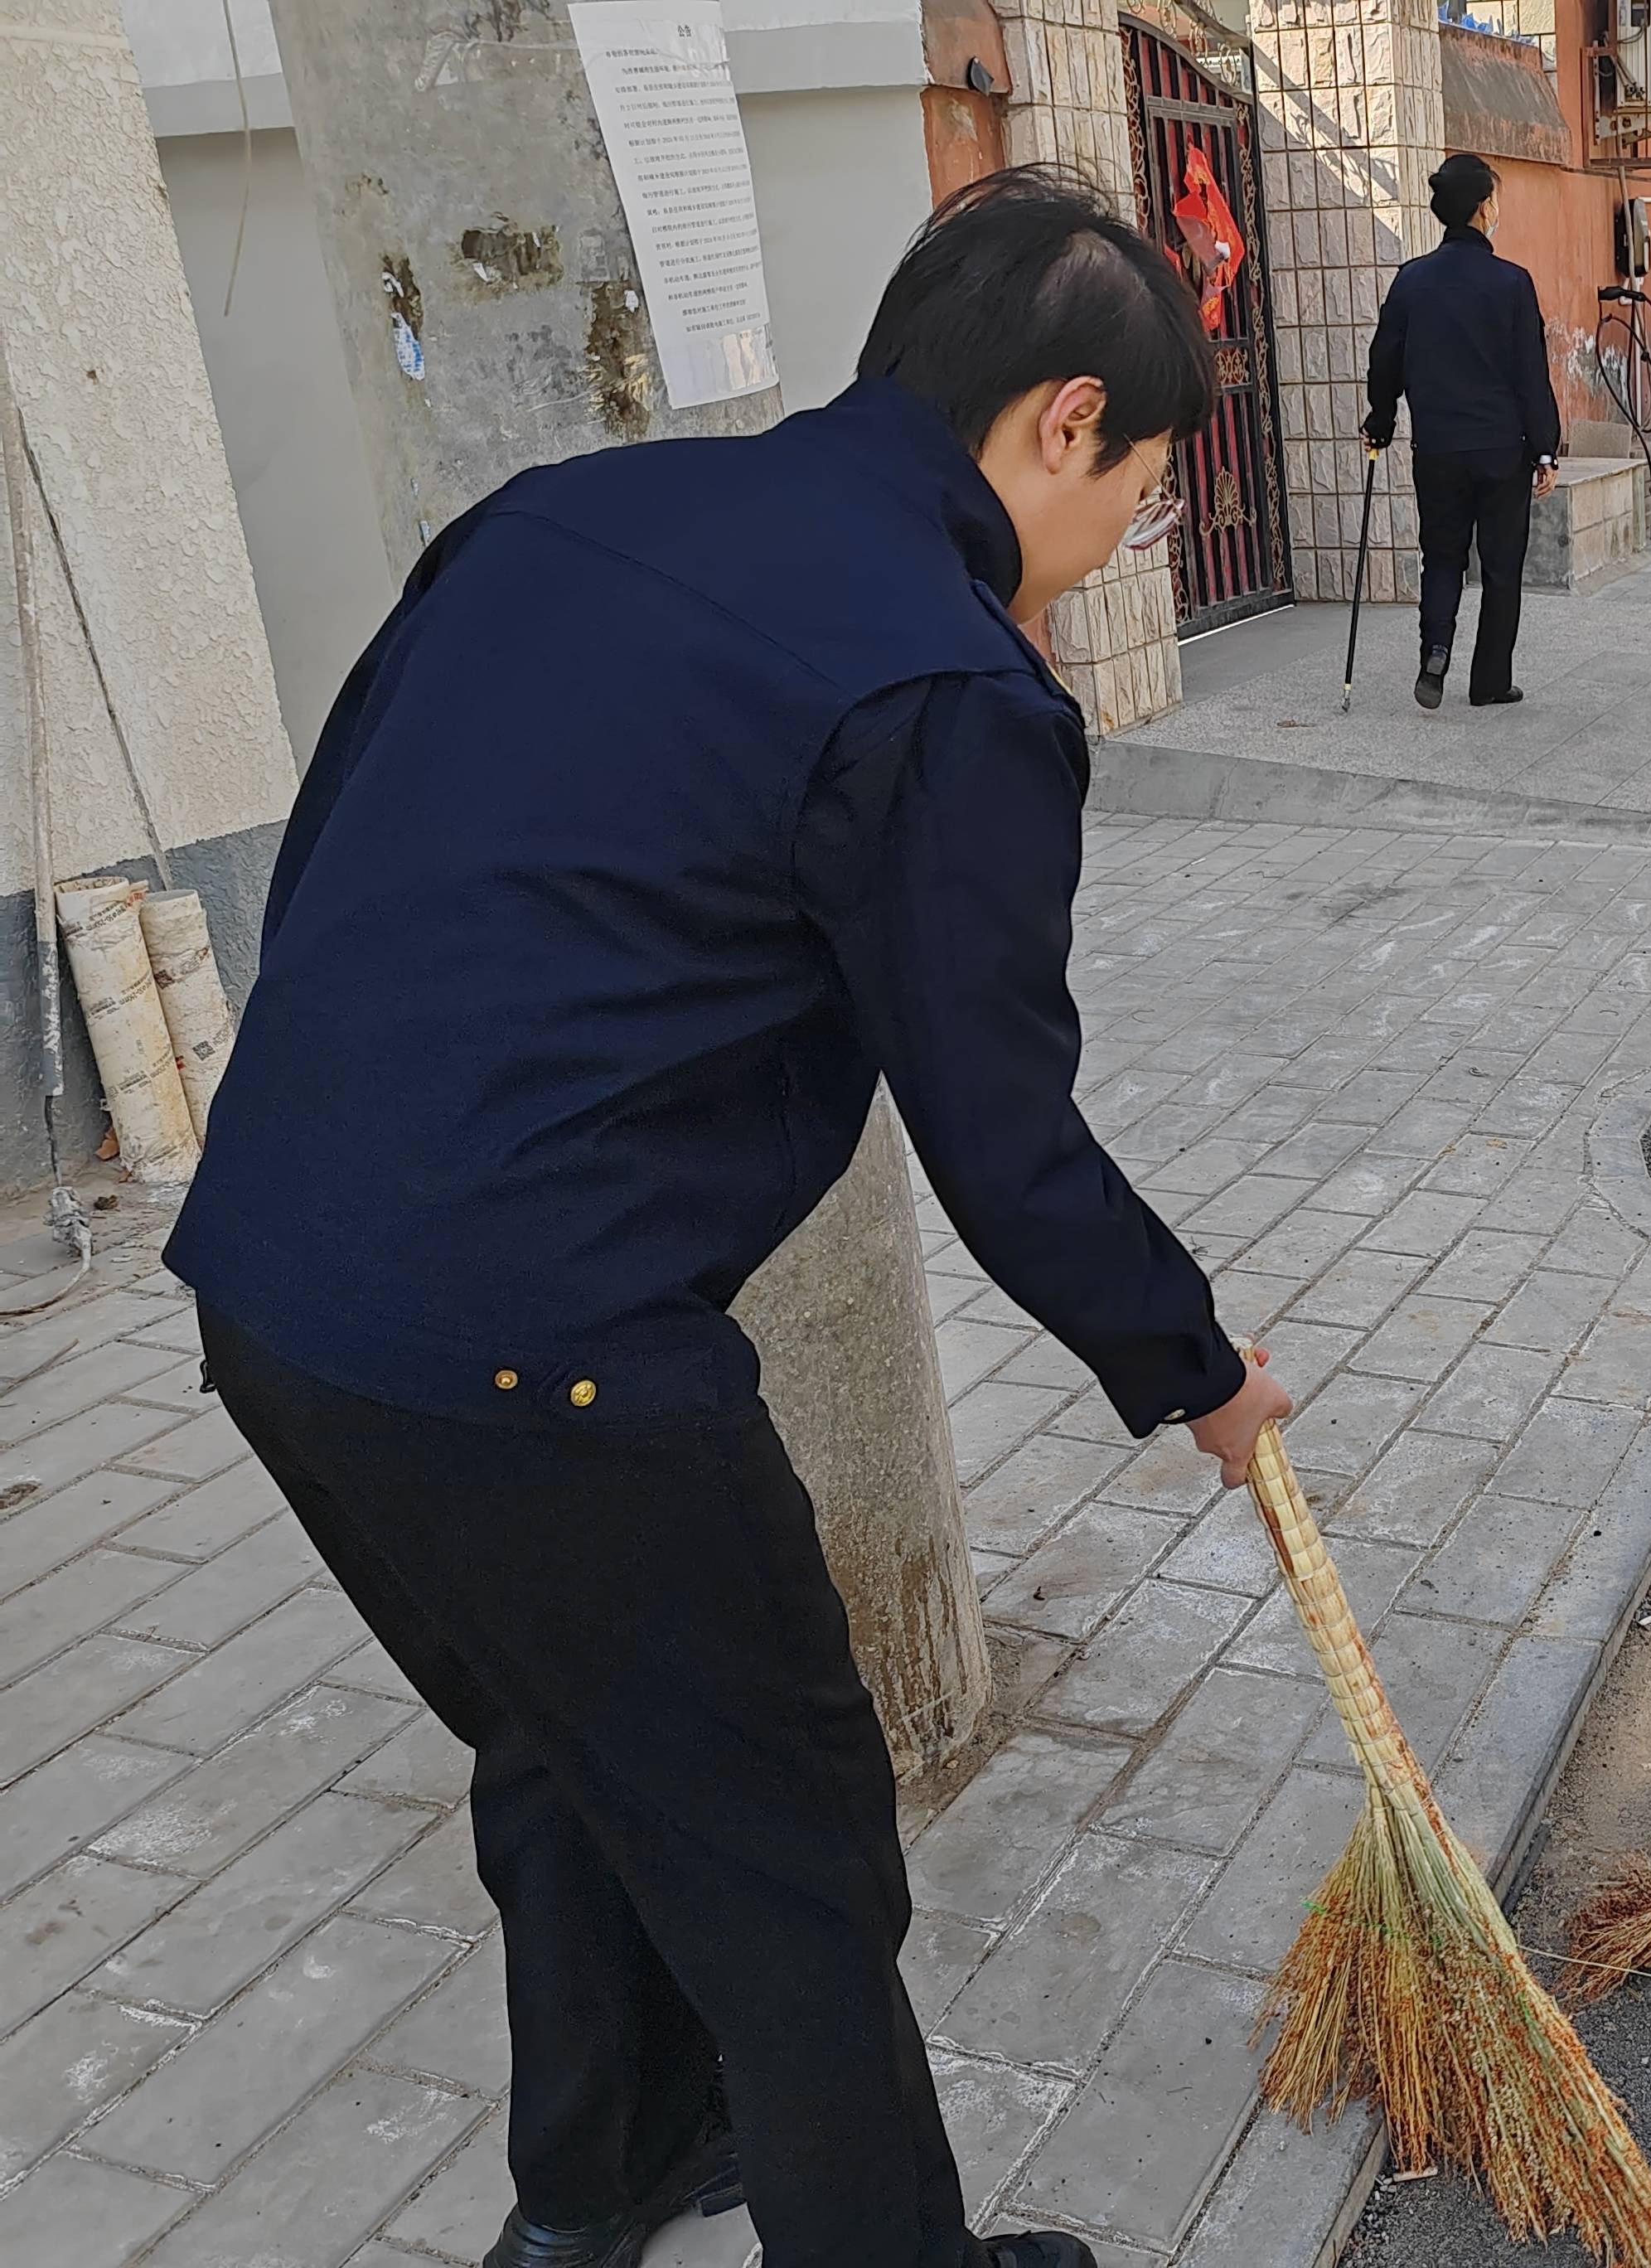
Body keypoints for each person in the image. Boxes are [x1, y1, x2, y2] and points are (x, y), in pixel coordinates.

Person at [165, 167, 1294, 2268]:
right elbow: (1003, 1134)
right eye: (1138, 486)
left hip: (276, 1292)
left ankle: (596, 2190)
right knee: (782, 1855)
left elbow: (337, 854)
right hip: (544, 1350)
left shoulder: (574, 512)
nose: (1126, 534)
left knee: (574, 1738)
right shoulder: (942, 683)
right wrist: (1196, 1363)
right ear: (1066, 423)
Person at [1363, 152, 1561, 711]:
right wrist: (1545, 448)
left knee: (1443, 556)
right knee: (1501, 566)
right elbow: (1530, 373)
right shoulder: (1512, 283)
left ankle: (1435, 650)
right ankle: (1490, 680)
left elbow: (1386, 362)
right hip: (1502, 450)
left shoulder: (1412, 281)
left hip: (1439, 447)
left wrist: (1381, 422)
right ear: (1481, 207)